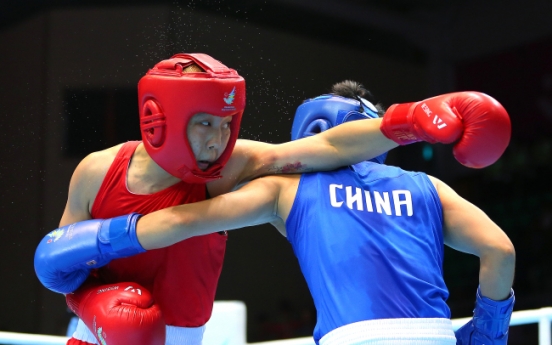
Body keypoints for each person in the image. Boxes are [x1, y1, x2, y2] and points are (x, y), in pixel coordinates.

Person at [34, 55, 511, 345]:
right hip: (93, 335)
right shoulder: (97, 170)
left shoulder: (248, 173)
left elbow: (323, 149)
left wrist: (409, 122)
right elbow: (61, 266)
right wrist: (94, 304)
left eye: (227, 124)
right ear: (161, 118)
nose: (219, 139)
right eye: (206, 123)